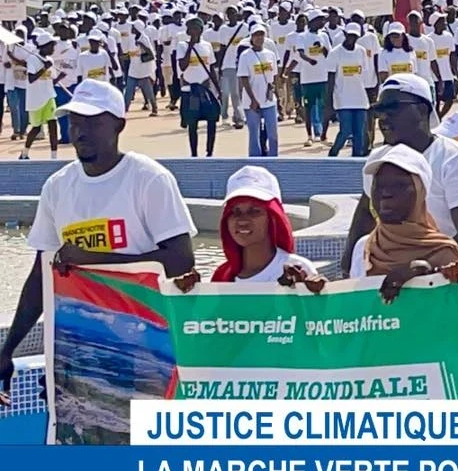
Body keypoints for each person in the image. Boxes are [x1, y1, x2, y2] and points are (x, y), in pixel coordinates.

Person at [0, 80, 196, 406]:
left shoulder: (149, 180)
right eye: (75, 121)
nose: (80, 131)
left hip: (143, 347)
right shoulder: (58, 187)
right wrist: (8, 350)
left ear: (119, 124)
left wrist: (93, 259)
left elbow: (180, 260)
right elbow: (40, 277)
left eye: (92, 121)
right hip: (79, 346)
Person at [344, 74, 458, 267]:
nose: (383, 118)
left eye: (393, 108)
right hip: (393, 280)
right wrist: (346, 269)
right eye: (380, 111)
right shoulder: (379, 159)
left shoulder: (455, 160)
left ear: (422, 110)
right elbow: (365, 214)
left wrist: (426, 277)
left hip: (450, 282)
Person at [349, 144, 458, 302]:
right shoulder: (365, 249)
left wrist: (429, 275)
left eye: (399, 186)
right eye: (379, 185)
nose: (386, 193)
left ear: (420, 192)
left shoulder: (446, 255)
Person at [202, 166, 321, 285]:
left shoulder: (298, 270)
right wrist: (189, 295)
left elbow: (316, 303)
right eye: (235, 212)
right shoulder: (222, 276)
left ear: (273, 217)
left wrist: (313, 295)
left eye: (254, 211)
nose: (242, 221)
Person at [178, 16, 222, 157]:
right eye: (190, 29)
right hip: (191, 90)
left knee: (211, 120)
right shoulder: (182, 45)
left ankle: (210, 152)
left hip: (206, 88)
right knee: (193, 123)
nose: (193, 32)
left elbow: (211, 68)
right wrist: (190, 46)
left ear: (201, 30)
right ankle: (194, 154)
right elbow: (182, 66)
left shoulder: (207, 46)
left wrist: (217, 88)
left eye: (196, 29)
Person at [327, 23, 371, 158]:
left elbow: (364, 73)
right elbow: (331, 78)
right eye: (349, 35)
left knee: (359, 132)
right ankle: (333, 153)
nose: (351, 38)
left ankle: (356, 159)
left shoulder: (361, 51)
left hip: (359, 98)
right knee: (345, 131)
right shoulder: (335, 53)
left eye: (354, 36)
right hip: (343, 98)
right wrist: (329, 101)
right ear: (345, 35)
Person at [237, 24, 280, 157]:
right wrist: (253, 100)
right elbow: (244, 79)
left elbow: (274, 76)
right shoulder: (245, 55)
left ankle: (274, 159)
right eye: (256, 35)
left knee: (273, 134)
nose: (259, 37)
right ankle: (255, 159)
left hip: (269, 100)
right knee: (254, 135)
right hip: (251, 102)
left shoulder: (270, 54)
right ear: (251, 37)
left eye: (261, 34)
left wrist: (276, 92)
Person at [290, 12, 331, 147]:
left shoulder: (323, 35)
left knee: (324, 107)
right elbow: (300, 53)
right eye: (320, 20)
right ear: (313, 21)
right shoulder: (302, 36)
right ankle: (309, 135)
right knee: (309, 107)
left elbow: (328, 54)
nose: (322, 22)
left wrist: (323, 48)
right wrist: (310, 60)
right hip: (308, 78)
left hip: (323, 77)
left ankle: (323, 134)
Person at [20, 32, 60, 160]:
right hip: (36, 100)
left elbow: (50, 80)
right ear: (44, 46)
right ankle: (25, 153)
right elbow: (31, 78)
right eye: (51, 46)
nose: (53, 49)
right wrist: (43, 68)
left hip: (49, 96)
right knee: (36, 129)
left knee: (53, 125)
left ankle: (54, 156)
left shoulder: (49, 60)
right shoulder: (32, 59)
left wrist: (59, 77)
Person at [122, 21, 159, 116]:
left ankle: (154, 109)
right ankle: (124, 110)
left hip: (143, 70)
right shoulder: (131, 38)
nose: (131, 28)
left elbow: (151, 54)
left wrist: (141, 44)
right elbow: (130, 53)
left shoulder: (144, 38)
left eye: (133, 27)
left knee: (149, 92)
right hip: (133, 69)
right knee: (128, 92)